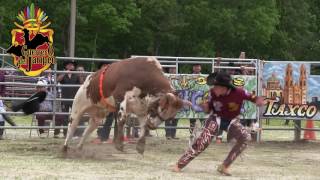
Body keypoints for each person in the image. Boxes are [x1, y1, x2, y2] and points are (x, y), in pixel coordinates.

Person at [172, 71, 264, 176]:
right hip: (216, 118)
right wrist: (205, 107)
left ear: (224, 87)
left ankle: (225, 166)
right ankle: (179, 165)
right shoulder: (212, 93)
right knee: (203, 141)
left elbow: (253, 98)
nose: (214, 88)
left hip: (232, 121)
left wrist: (258, 101)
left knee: (245, 138)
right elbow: (208, 109)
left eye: (216, 86)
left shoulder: (240, 92)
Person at [57, 60, 81, 137]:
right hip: (65, 98)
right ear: (66, 66)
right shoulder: (63, 75)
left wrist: (79, 74)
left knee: (75, 116)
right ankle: (65, 133)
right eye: (69, 65)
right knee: (65, 116)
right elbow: (58, 80)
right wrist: (64, 73)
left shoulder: (76, 75)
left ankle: (75, 133)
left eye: (72, 65)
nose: (70, 66)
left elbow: (81, 83)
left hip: (74, 99)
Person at [189, 64, 204, 134]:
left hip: (202, 100)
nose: (197, 68)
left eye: (198, 66)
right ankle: (192, 133)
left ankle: (204, 133)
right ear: (193, 68)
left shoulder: (204, 76)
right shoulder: (189, 77)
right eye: (195, 66)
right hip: (192, 99)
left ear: (200, 68)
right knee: (192, 117)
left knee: (203, 117)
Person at [165, 67, 179, 140]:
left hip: (176, 101)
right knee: (168, 118)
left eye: (174, 69)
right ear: (169, 70)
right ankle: (168, 135)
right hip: (168, 101)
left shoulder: (179, 78)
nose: (173, 70)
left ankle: (173, 134)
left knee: (175, 118)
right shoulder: (166, 78)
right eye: (171, 69)